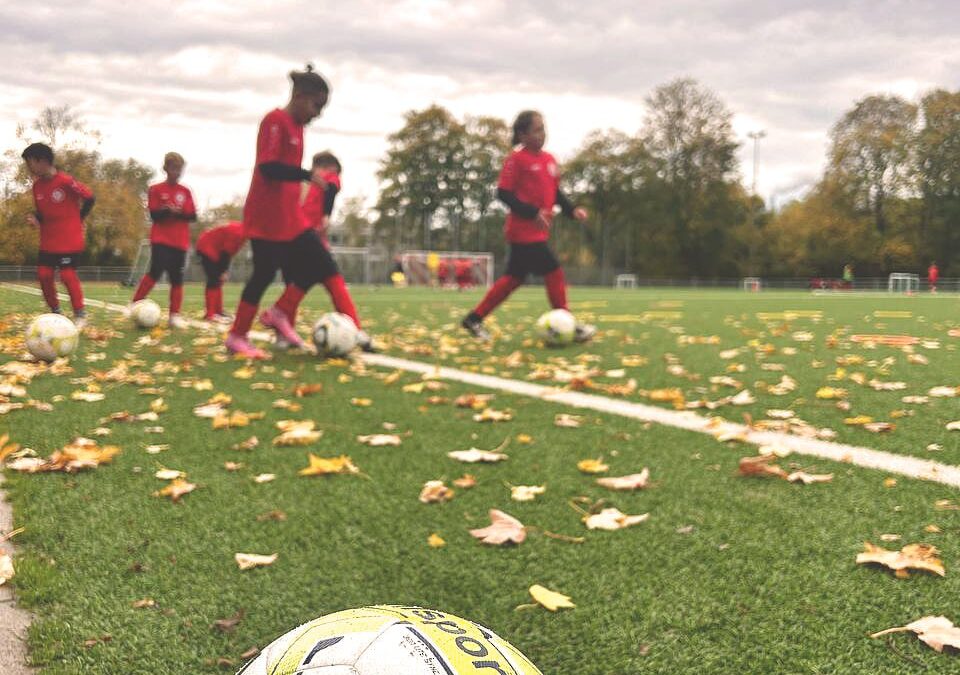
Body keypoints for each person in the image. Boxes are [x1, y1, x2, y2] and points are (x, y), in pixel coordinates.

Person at [224, 65, 332, 359]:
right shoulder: (275, 120)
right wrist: (306, 175)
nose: (317, 114)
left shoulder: (298, 128)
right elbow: (268, 167)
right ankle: (237, 336)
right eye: (316, 105)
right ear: (299, 96)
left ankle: (279, 313)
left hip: (290, 217)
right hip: (266, 216)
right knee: (264, 273)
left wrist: (303, 182)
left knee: (318, 263)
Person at [461, 110, 595, 342]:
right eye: (537, 129)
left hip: (538, 233)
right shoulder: (516, 160)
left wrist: (572, 210)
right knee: (553, 270)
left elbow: (555, 194)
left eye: (543, 128)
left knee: (513, 279)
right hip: (522, 232)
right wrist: (532, 212)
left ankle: (474, 319)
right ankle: (569, 323)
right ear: (522, 135)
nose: (542, 134)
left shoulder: (549, 160)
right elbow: (503, 193)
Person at [269, 152, 375, 351]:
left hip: (289, 236)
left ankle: (283, 333)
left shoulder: (300, 183)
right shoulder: (327, 177)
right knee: (333, 279)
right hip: (308, 236)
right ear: (331, 167)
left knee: (297, 281)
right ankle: (356, 330)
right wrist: (326, 214)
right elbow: (332, 188)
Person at [21, 142, 95, 328]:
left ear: (43, 161)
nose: (29, 168)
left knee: (67, 275)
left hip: (69, 239)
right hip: (48, 241)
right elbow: (42, 212)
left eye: (30, 162)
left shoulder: (65, 181)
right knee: (44, 275)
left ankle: (80, 315)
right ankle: (56, 312)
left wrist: (79, 218)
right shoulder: (37, 186)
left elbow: (89, 197)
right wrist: (35, 219)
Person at [130, 152, 196, 328]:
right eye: (174, 168)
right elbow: (154, 215)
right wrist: (166, 210)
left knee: (177, 277)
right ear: (166, 168)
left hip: (180, 241)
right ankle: (135, 303)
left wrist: (178, 212)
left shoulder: (185, 191)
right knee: (156, 271)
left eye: (180, 169)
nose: (177, 172)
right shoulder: (156, 189)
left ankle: (174, 316)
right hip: (161, 239)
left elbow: (192, 215)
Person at [195, 220, 246, 322]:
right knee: (214, 279)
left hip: (212, 248)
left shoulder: (240, 229)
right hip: (207, 247)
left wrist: (223, 271)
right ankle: (210, 314)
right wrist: (223, 271)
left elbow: (227, 252)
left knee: (218, 280)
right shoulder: (239, 233)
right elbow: (226, 253)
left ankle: (217, 311)